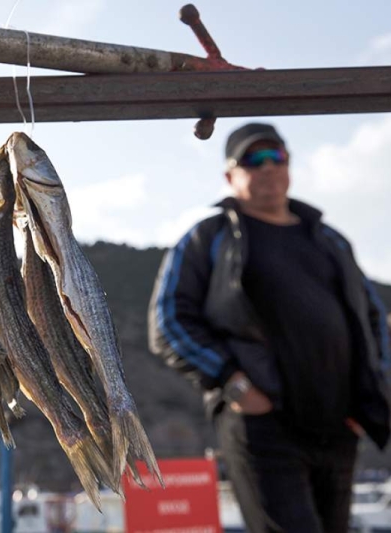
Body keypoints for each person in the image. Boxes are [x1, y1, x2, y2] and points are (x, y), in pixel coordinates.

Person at [148, 122, 390, 533]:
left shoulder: (330, 239)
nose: (267, 168)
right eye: (252, 159)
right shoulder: (210, 237)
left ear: (289, 165)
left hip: (338, 426)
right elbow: (168, 321)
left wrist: (373, 391)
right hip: (263, 426)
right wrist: (235, 383)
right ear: (230, 175)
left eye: (276, 157)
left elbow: (372, 320)